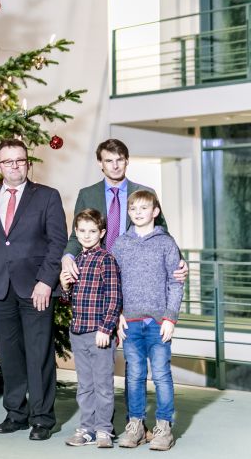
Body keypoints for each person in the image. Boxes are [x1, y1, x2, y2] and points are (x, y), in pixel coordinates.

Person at [0, 139, 67, 441]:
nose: (14, 166)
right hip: (0, 287)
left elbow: (58, 242)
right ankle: (15, 413)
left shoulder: (47, 196)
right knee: (9, 354)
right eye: (8, 161)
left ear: (27, 163)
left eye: (19, 160)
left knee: (39, 354)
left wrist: (46, 281)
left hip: (37, 288)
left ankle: (42, 418)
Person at [112, 190, 182, 452]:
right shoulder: (121, 244)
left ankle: (163, 427)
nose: (138, 213)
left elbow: (176, 282)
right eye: (133, 209)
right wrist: (118, 314)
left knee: (161, 374)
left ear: (155, 212)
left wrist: (170, 318)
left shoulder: (166, 243)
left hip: (158, 323)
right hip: (130, 322)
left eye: (144, 208)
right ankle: (136, 425)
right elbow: (113, 282)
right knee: (134, 375)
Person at [60, 138, 187, 281]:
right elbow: (76, 235)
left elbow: (162, 232)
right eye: (109, 161)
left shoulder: (146, 193)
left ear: (127, 161)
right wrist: (67, 257)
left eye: (119, 160)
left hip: (136, 273)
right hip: (98, 273)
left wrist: (179, 260)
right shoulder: (87, 195)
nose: (115, 166)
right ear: (100, 163)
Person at [59, 209, 122, 448]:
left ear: (102, 233)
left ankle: (104, 429)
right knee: (85, 386)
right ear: (76, 232)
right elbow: (70, 300)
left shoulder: (106, 260)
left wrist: (106, 329)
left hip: (99, 333)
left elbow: (114, 298)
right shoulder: (76, 261)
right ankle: (87, 429)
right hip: (78, 332)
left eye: (92, 231)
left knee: (102, 385)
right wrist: (65, 287)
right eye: (82, 231)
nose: (87, 235)